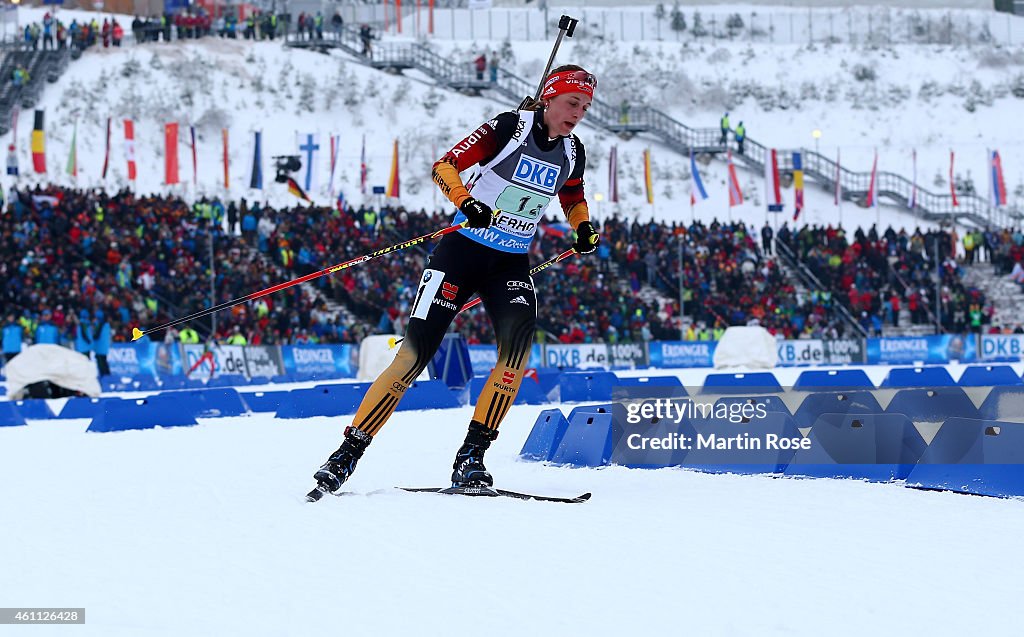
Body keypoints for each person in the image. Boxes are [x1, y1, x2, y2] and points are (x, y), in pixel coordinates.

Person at [312, 65, 601, 496]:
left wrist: (581, 226)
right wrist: (466, 201)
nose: (578, 113)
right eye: (572, 103)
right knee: (414, 355)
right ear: (549, 97)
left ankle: (471, 458)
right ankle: (347, 454)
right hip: (461, 253)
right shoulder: (509, 127)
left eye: (585, 107)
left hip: (510, 264)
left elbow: (572, 194)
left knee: (515, 356)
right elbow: (444, 166)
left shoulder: (574, 150)